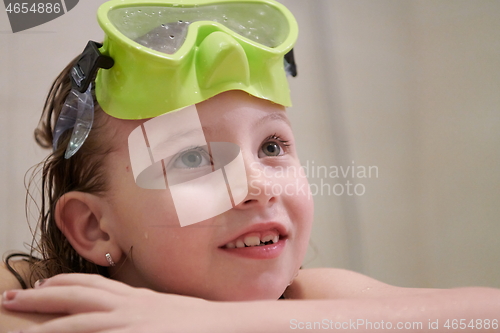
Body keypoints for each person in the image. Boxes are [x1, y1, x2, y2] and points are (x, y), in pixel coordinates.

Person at [1, 0, 499, 332]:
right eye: (193, 157)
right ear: (93, 227)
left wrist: (205, 320)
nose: (257, 186)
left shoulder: (309, 298)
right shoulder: (39, 303)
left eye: (273, 146)